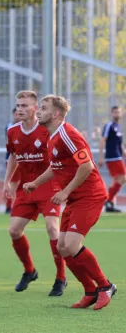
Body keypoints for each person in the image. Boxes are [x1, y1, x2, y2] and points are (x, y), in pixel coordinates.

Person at [23, 95, 116, 310]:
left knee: (72, 245)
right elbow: (55, 166)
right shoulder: (52, 135)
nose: (38, 111)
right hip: (75, 197)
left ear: (55, 114)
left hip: (90, 195)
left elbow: (87, 166)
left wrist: (65, 191)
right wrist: (35, 183)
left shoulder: (68, 134)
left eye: (44, 108)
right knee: (63, 248)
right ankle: (90, 291)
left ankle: (105, 286)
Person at [3, 91, 66, 296]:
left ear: (35, 109)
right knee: (13, 231)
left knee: (52, 229)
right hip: (25, 188)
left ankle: (61, 278)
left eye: (24, 105)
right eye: (18, 105)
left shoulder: (46, 130)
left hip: (48, 185)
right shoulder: (12, 131)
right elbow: (13, 157)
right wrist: (9, 183)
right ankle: (29, 271)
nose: (20, 109)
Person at [98, 106, 124, 213]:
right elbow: (102, 141)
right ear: (111, 113)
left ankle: (110, 203)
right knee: (123, 178)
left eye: (118, 112)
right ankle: (108, 199)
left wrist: (124, 153)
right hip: (112, 157)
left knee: (117, 180)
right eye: (114, 112)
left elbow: (119, 144)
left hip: (118, 156)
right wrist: (101, 157)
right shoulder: (109, 125)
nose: (117, 114)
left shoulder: (118, 126)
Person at [4, 108, 20, 214]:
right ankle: (9, 206)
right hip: (12, 158)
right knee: (11, 182)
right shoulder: (10, 127)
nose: (17, 116)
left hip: (25, 159)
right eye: (15, 114)